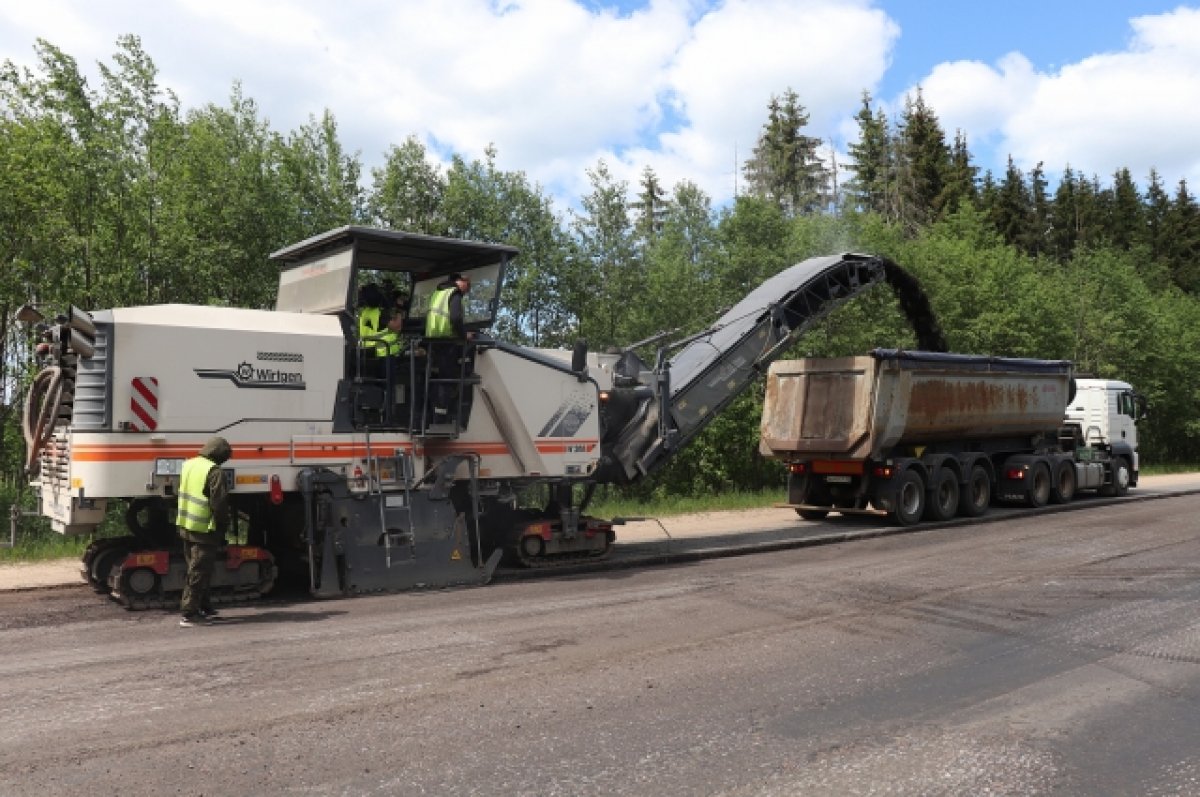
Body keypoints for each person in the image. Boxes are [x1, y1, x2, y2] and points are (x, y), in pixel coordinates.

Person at [177, 436, 233, 627]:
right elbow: (219, 503)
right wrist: (222, 525)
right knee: (199, 571)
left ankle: (203, 606)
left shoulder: (189, 464)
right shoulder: (215, 472)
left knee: (198, 569)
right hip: (204, 529)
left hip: (187, 525)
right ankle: (189, 613)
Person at [424, 273, 473, 423]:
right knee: (447, 381)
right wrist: (464, 335)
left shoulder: (438, 293)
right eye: (467, 287)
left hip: (433, 342)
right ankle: (441, 418)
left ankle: (433, 415)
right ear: (461, 282)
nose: (466, 291)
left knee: (435, 379)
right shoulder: (454, 293)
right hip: (447, 342)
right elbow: (456, 318)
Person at [356, 283, 403, 361]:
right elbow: (397, 327)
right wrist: (399, 310)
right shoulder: (380, 313)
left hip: (369, 353)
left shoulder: (364, 313)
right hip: (385, 354)